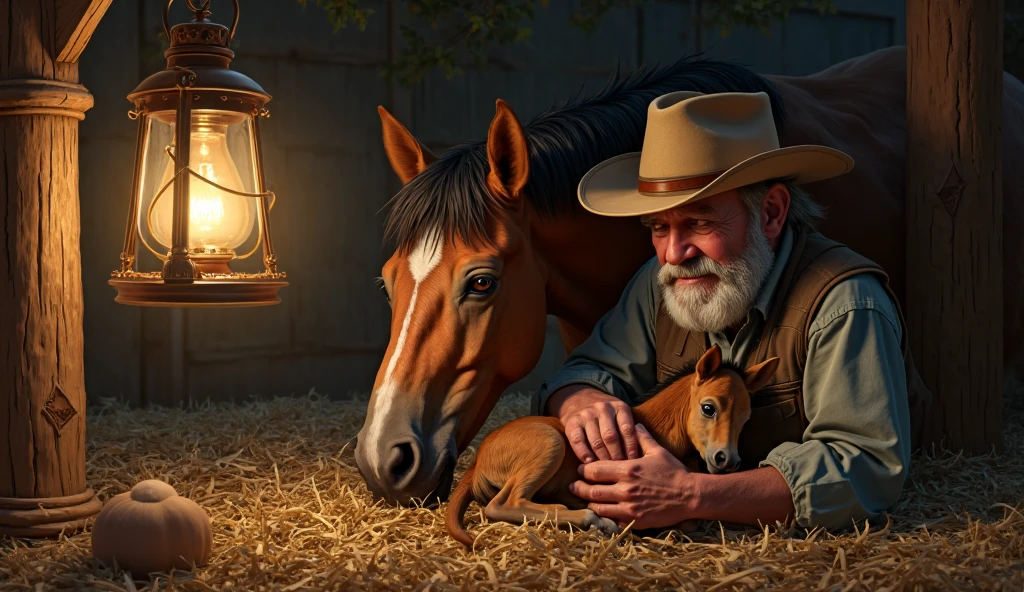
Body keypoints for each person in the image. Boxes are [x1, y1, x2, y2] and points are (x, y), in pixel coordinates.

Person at [531, 90, 931, 532]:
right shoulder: (662, 279)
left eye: (700, 223)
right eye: (659, 227)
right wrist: (581, 400)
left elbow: (866, 467)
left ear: (771, 213)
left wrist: (689, 495)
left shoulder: (845, 303)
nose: (674, 253)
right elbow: (586, 368)